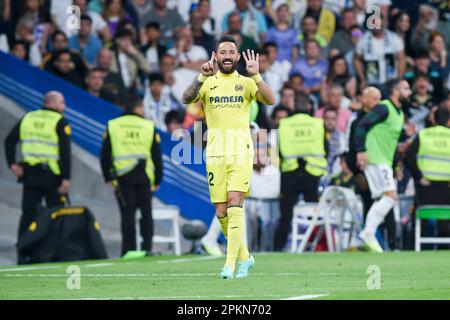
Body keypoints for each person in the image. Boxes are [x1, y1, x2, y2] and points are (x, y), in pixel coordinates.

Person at [182, 35, 275, 279]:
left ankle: (230, 264)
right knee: (221, 211)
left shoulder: (245, 82)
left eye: (231, 52)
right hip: (214, 153)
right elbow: (186, 98)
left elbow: (270, 99)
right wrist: (201, 76)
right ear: (216, 56)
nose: (227, 55)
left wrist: (257, 75)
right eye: (222, 51)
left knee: (236, 202)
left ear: (237, 56)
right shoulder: (207, 82)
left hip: (240, 151)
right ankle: (246, 257)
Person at [4, 91, 71, 264]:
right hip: (52, 177)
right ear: (53, 104)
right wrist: (66, 178)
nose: (64, 107)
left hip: (30, 175)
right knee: (56, 214)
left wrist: (12, 164)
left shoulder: (28, 118)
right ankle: (56, 253)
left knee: (28, 215)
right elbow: (65, 152)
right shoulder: (60, 122)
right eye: (62, 102)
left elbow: (9, 140)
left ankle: (23, 253)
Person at [100, 95, 163, 256]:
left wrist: (107, 177)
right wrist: (158, 179)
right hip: (144, 177)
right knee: (146, 214)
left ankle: (128, 250)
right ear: (138, 107)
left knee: (127, 215)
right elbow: (156, 155)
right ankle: (147, 248)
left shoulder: (113, 125)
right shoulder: (148, 126)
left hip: (122, 178)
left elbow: (105, 154)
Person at [355, 79, 412, 252]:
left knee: (386, 198)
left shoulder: (399, 114)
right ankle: (368, 232)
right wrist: (360, 150)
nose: (410, 92)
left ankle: (368, 233)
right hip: (375, 159)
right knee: (390, 197)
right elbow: (361, 125)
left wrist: (395, 165)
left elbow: (391, 142)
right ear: (395, 92)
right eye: (406, 88)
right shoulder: (384, 108)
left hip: (384, 161)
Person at [273, 102, 328, 252]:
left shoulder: (284, 124)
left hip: (290, 173)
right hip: (313, 174)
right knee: (314, 214)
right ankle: (317, 245)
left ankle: (278, 247)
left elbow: (278, 151)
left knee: (286, 214)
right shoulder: (317, 124)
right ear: (310, 108)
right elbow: (325, 148)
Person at [405, 107, 450, 247]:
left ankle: (412, 250)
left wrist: (419, 177)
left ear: (433, 119)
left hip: (426, 186)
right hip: (447, 186)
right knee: (445, 221)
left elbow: (409, 156)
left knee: (420, 220)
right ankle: (444, 250)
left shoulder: (424, 134)